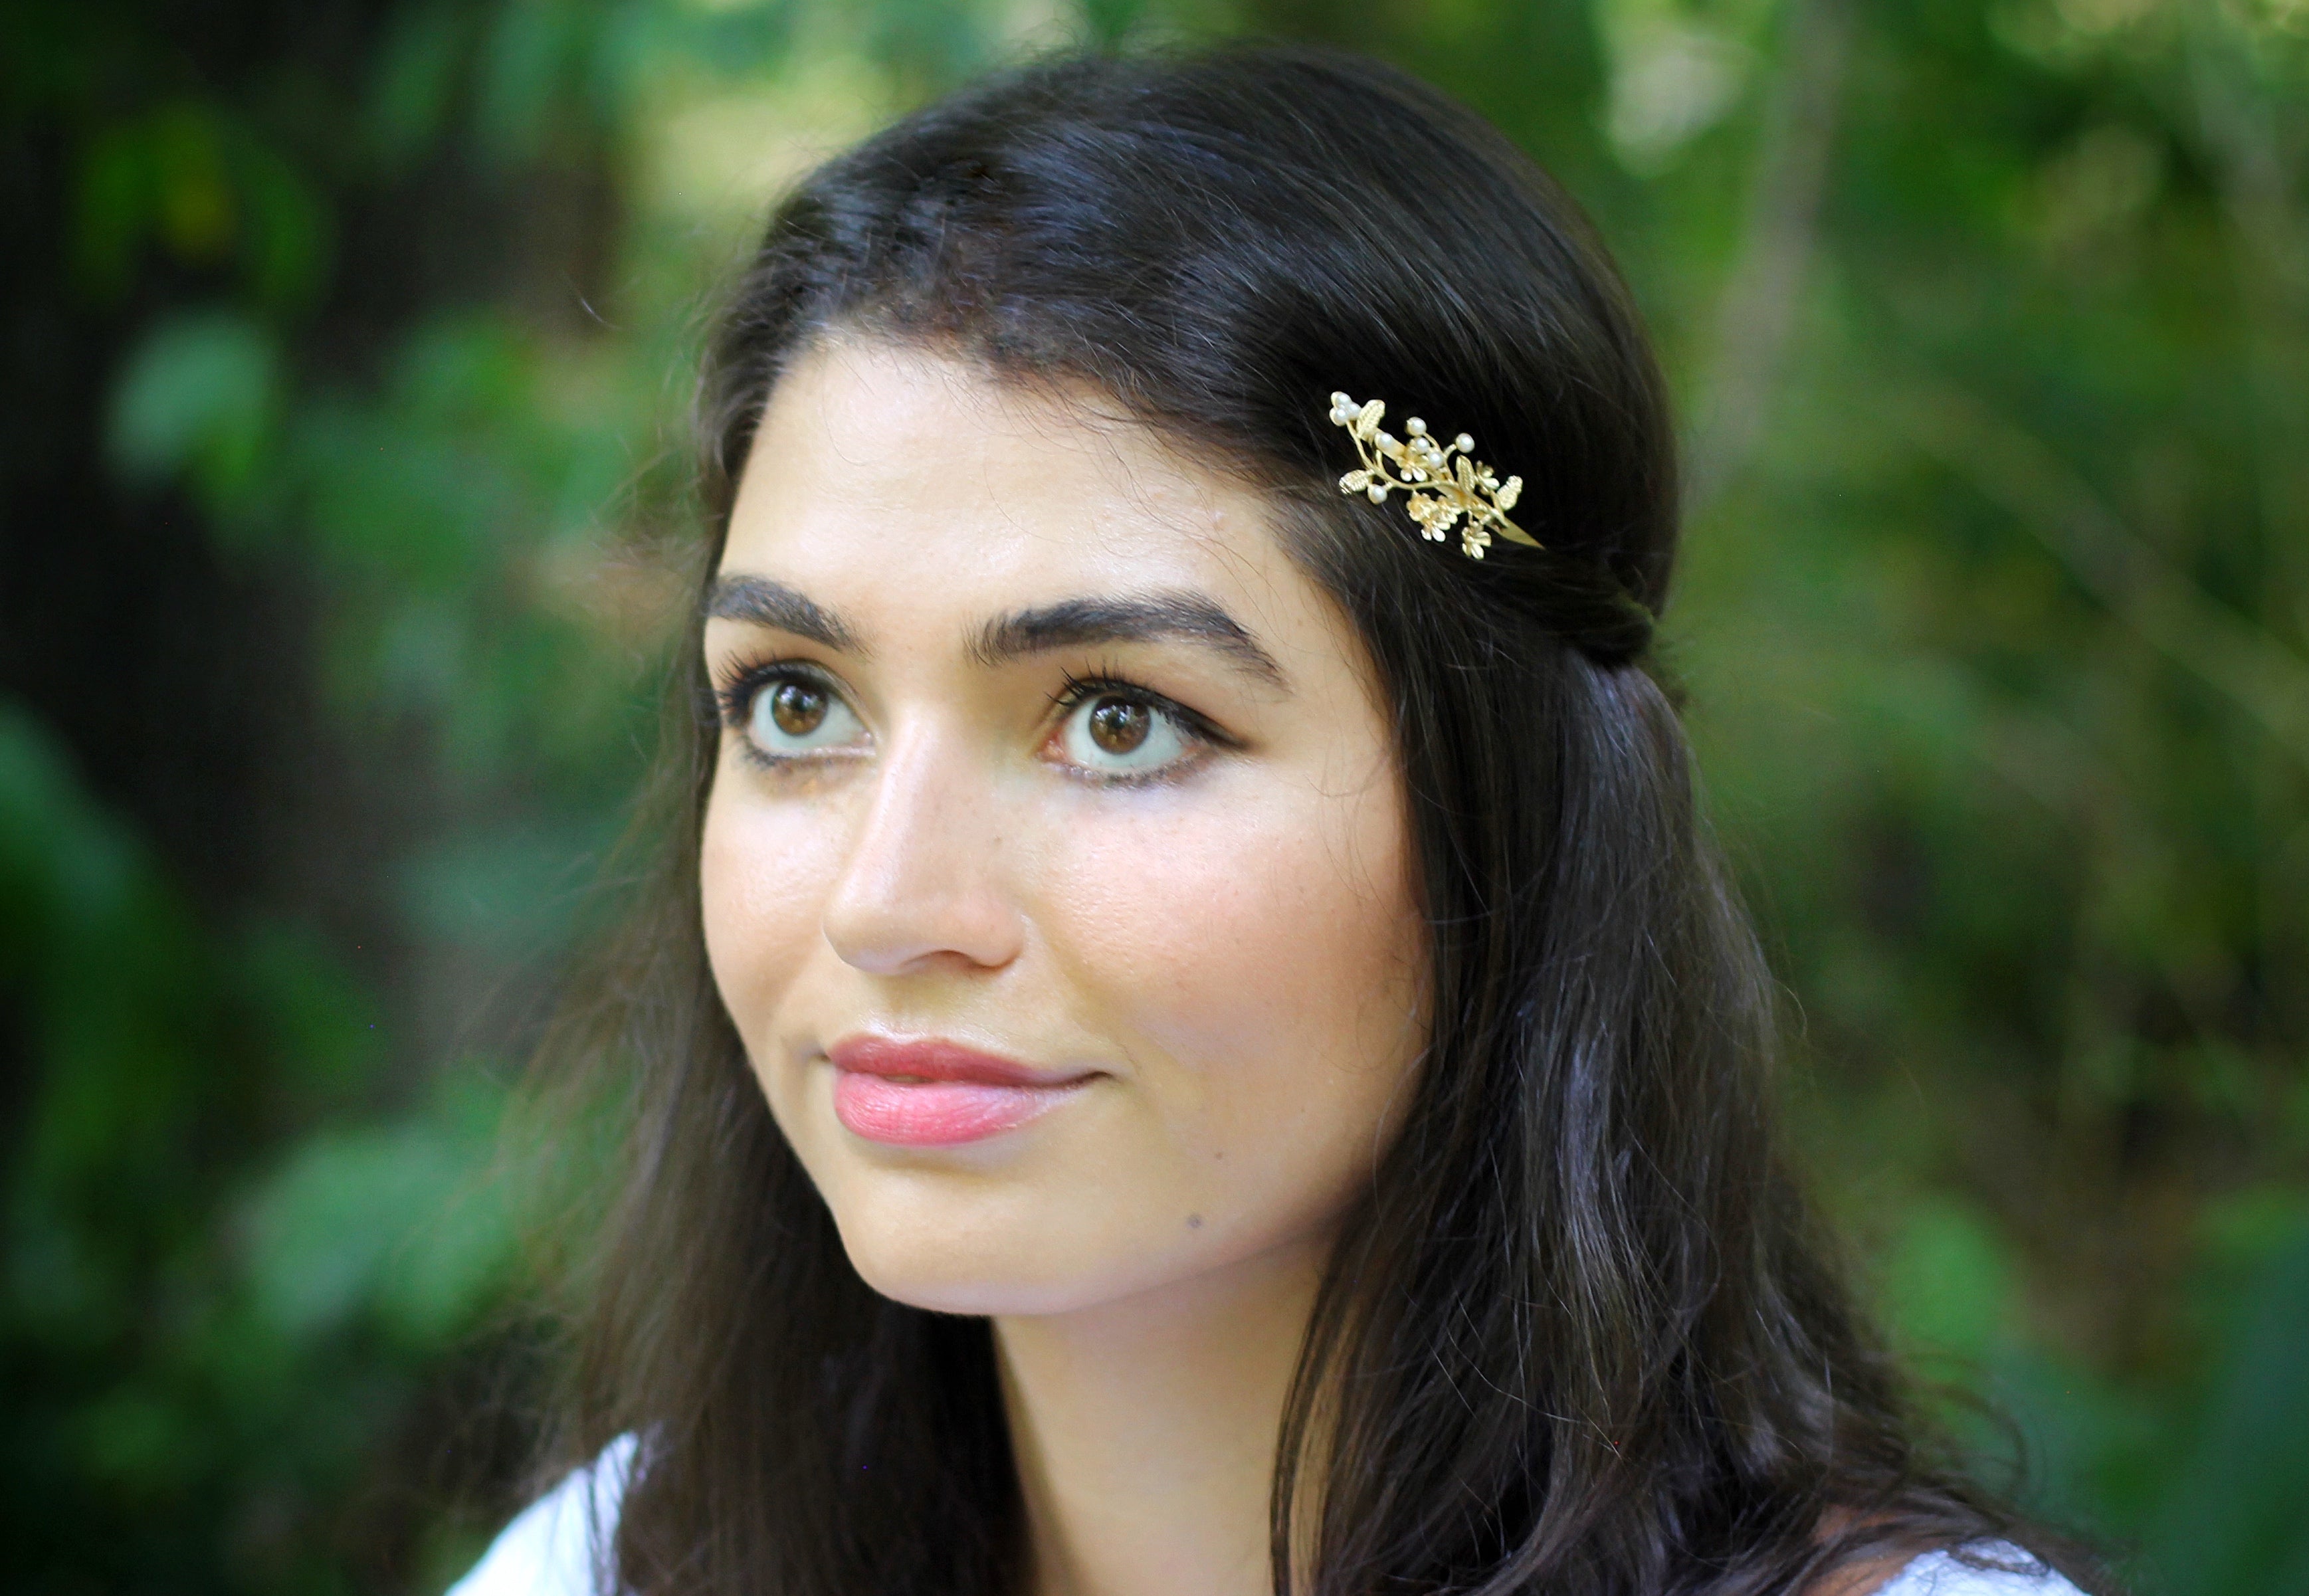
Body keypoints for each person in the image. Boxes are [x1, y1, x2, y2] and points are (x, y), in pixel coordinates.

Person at [451, 43, 2108, 1596]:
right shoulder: (604, 1566)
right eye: (797, 704)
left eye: (1118, 720)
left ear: (1513, 816)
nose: (883, 904)